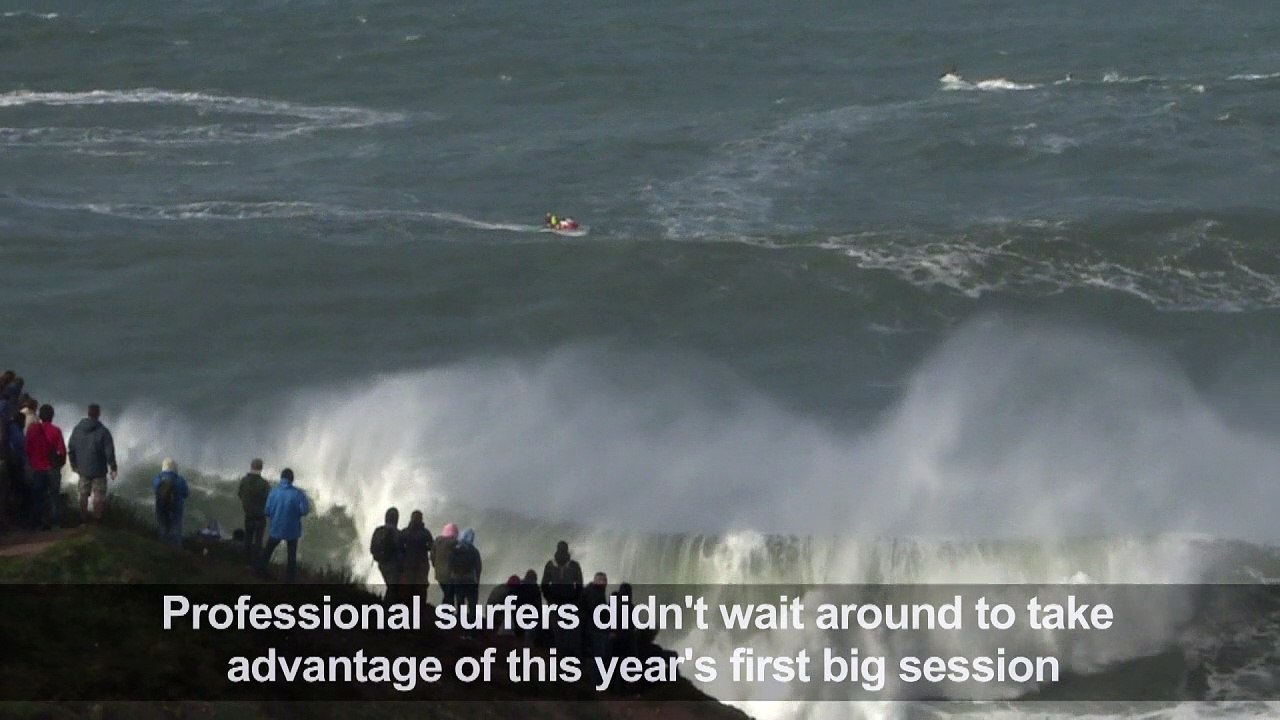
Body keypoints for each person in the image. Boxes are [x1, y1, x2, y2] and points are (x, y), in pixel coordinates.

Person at [68, 404, 118, 523]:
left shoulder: (77, 429)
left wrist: (73, 464)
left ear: (88, 413)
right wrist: (113, 467)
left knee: (83, 494)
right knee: (98, 494)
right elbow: (109, 452)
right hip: (99, 469)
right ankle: (97, 519)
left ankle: (83, 518)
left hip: (82, 468)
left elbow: (71, 448)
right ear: (98, 414)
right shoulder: (103, 431)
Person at [259, 468, 310, 583]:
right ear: (292, 479)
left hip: (276, 527)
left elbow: (267, 511)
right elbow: (304, 511)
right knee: (291, 557)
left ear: (281, 478)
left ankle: (260, 571)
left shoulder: (273, 492)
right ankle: (289, 580)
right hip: (292, 530)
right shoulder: (298, 494)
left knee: (267, 551)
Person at [25, 404, 66, 530]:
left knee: (37, 497)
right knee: (54, 496)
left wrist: (32, 462)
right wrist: (60, 465)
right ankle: (55, 524)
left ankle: (38, 523)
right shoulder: (56, 430)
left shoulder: (32, 430)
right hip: (52, 468)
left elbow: (27, 449)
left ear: (40, 416)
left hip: (36, 468)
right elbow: (62, 451)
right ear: (52, 416)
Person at [541, 540, 584, 655]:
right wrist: (551, 599)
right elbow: (544, 585)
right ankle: (563, 658)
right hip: (561, 604)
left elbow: (579, 586)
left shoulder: (570, 565)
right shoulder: (554, 565)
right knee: (562, 634)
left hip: (565, 604)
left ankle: (564, 658)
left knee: (564, 634)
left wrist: (573, 600)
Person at [236, 459, 271, 564]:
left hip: (248, 515)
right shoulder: (264, 484)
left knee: (247, 540)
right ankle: (255, 565)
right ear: (261, 468)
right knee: (258, 542)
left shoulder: (244, 481)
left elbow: (240, 494)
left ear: (251, 466)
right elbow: (269, 499)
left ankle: (246, 563)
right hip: (260, 517)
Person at [582, 571, 611, 689]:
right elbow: (597, 612)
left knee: (597, 657)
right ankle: (597, 684)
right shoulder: (595, 593)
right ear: (595, 581)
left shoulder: (590, 591)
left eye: (604, 580)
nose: (603, 583)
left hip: (591, 629)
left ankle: (595, 683)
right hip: (596, 630)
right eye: (601, 580)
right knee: (599, 657)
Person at [152, 458, 189, 547]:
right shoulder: (180, 480)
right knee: (175, 534)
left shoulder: (157, 479)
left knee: (162, 530)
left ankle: (161, 550)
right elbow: (186, 493)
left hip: (161, 509)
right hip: (175, 511)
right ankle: (174, 552)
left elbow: (156, 489)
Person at [370, 507, 404, 600]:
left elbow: (372, 548)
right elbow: (400, 550)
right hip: (393, 564)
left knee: (391, 587)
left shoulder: (378, 530)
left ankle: (387, 604)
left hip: (381, 563)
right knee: (393, 588)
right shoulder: (397, 533)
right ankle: (387, 606)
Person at [399, 510, 433, 598]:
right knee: (421, 589)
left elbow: (399, 548)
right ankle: (419, 605)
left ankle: (408, 605)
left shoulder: (405, 532)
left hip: (408, 565)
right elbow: (432, 547)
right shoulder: (425, 533)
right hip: (422, 565)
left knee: (408, 589)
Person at [451, 527, 483, 609]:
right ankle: (472, 616)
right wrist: (477, 581)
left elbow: (450, 564)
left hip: (457, 579)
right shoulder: (474, 550)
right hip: (470, 579)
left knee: (460, 601)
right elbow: (478, 567)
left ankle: (460, 616)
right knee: (472, 603)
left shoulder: (454, 549)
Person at [431, 523, 459, 606]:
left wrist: (436, 566)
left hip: (439, 575)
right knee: (449, 596)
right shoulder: (455, 544)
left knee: (447, 595)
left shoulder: (437, 542)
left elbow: (432, 557)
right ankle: (445, 612)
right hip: (450, 575)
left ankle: (444, 611)